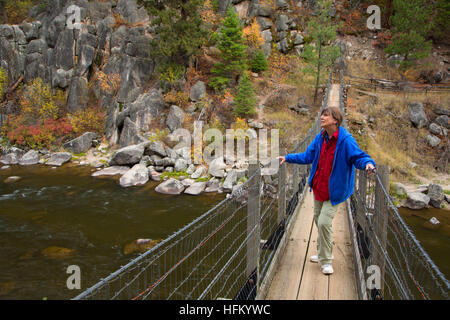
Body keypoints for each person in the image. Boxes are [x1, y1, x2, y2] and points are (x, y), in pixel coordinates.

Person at [277, 106, 375, 275]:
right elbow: (308, 156)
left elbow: (358, 156)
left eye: (326, 115)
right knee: (318, 220)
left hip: (335, 192)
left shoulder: (345, 140)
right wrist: (288, 158)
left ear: (335, 120)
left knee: (323, 222)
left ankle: (327, 260)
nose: (321, 117)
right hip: (319, 188)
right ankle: (322, 252)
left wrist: (368, 163)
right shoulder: (320, 137)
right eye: (321, 114)